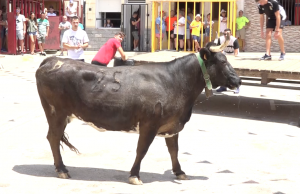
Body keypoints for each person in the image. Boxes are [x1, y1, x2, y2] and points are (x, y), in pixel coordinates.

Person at [215, 29, 240, 93]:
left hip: (234, 56)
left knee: (234, 71)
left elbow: (236, 53)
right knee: (222, 71)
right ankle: (223, 86)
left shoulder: (234, 40)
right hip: (225, 55)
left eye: (227, 34)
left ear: (231, 34)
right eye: (224, 34)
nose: (225, 35)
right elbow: (219, 50)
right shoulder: (220, 40)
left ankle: (237, 86)